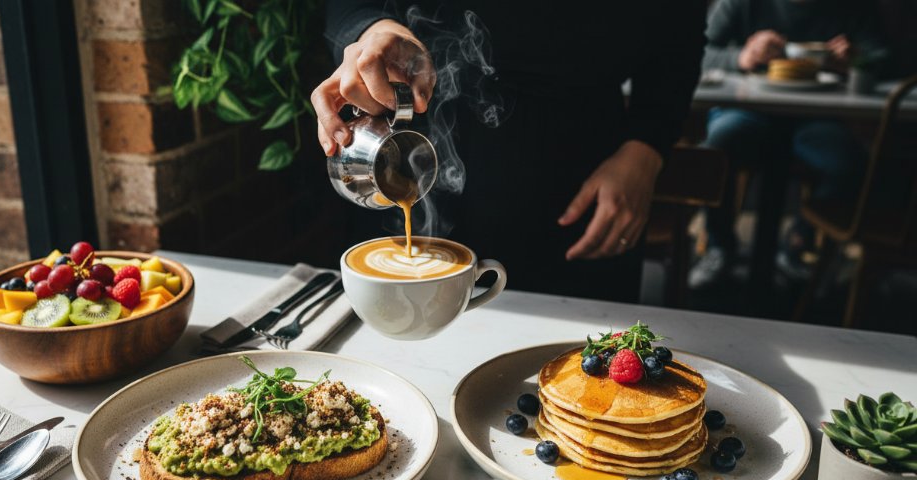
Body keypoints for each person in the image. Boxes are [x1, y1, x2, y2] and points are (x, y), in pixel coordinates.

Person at [314, 2, 707, 303]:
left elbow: (681, 36)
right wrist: (373, 29)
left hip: (582, 197)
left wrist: (646, 148)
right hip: (407, 164)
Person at [689, 0, 888, 289]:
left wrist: (856, 60)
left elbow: (885, 57)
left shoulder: (852, 7)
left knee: (849, 162)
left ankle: (798, 243)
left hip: (817, 117)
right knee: (717, 147)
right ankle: (719, 246)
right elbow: (695, 50)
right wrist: (741, 57)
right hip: (746, 110)